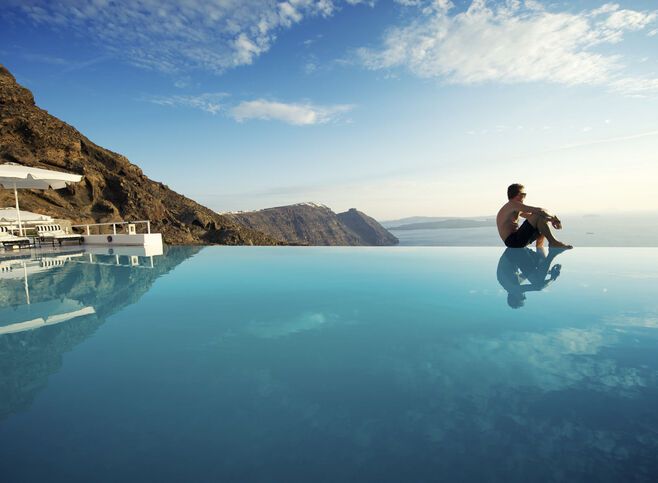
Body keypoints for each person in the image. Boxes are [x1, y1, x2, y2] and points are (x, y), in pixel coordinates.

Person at [496, 183, 572, 249]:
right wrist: (554, 218)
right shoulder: (512, 205)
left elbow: (533, 217)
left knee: (542, 217)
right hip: (513, 241)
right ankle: (553, 242)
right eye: (524, 194)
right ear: (518, 195)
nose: (525, 197)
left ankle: (540, 247)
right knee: (538, 215)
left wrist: (550, 220)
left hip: (516, 241)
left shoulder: (513, 208)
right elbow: (539, 211)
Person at [496, 247, 563, 308]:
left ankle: (552, 252)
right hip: (516, 250)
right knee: (540, 270)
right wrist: (550, 272)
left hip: (516, 253)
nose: (525, 297)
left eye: (522, 298)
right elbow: (531, 272)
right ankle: (541, 245)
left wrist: (553, 279)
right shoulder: (510, 283)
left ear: (515, 297)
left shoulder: (512, 289)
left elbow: (538, 287)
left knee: (538, 281)